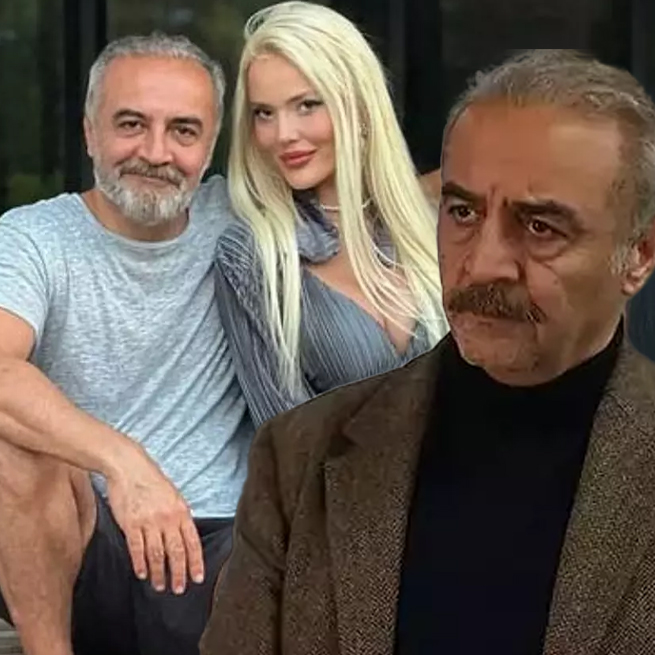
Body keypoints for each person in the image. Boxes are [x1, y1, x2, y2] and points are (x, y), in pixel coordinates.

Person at [201, 49, 655, 655]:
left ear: (638, 256)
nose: (483, 264)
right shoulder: (299, 458)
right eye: (462, 212)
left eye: (540, 227)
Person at [0, 34, 253, 655]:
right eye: (131, 124)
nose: (156, 152)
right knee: (11, 451)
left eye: (184, 131)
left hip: (225, 550)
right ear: (90, 133)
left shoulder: (244, 220)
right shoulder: (33, 237)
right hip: (85, 547)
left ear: (211, 147)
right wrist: (125, 463)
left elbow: (406, 192)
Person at [214, 1, 449, 427]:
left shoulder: (428, 227)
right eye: (264, 113)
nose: (283, 134)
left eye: (307, 105)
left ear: (357, 105)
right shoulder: (252, 255)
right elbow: (286, 440)